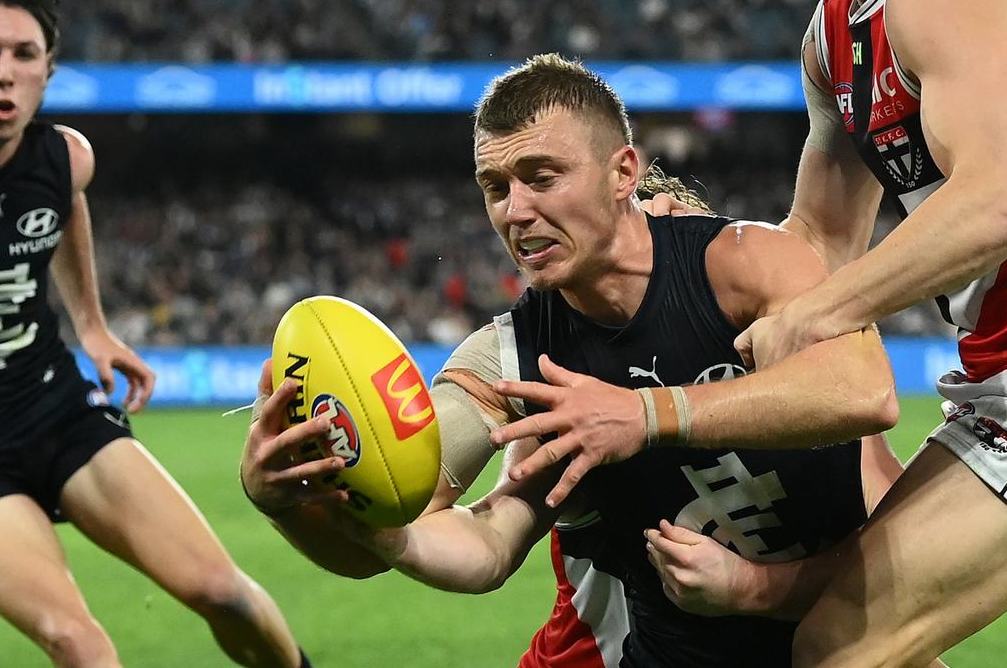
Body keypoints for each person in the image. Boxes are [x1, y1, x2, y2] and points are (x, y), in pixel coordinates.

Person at [487, 0, 1007, 666]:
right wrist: (682, 251)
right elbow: (821, 237)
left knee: (835, 645)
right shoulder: (833, 37)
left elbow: (997, 204)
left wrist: (817, 314)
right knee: (846, 622)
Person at [240, 54, 906, 667]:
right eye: (494, 187)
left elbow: (865, 391)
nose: (515, 211)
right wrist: (320, 512)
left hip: (850, 642)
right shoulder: (514, 354)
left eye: (540, 178)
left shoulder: (742, 264)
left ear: (624, 173)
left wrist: (643, 414)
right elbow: (479, 539)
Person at [0, 0, 311, 667]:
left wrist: (92, 325)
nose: (4, 71)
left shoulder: (66, 159)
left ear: (47, 71)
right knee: (80, 643)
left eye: (24, 54)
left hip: (52, 405)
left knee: (221, 591)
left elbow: (67, 207)